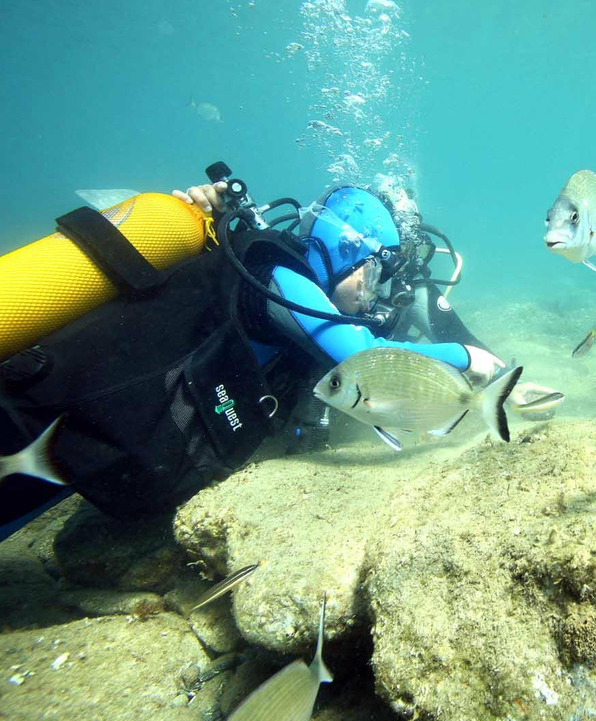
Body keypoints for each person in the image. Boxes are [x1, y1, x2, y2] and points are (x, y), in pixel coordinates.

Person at [0, 176, 503, 530]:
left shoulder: (285, 283)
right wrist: (465, 357)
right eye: (370, 272)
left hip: (100, 432)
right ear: (347, 249)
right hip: (47, 409)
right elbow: (364, 357)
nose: (370, 293)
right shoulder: (281, 276)